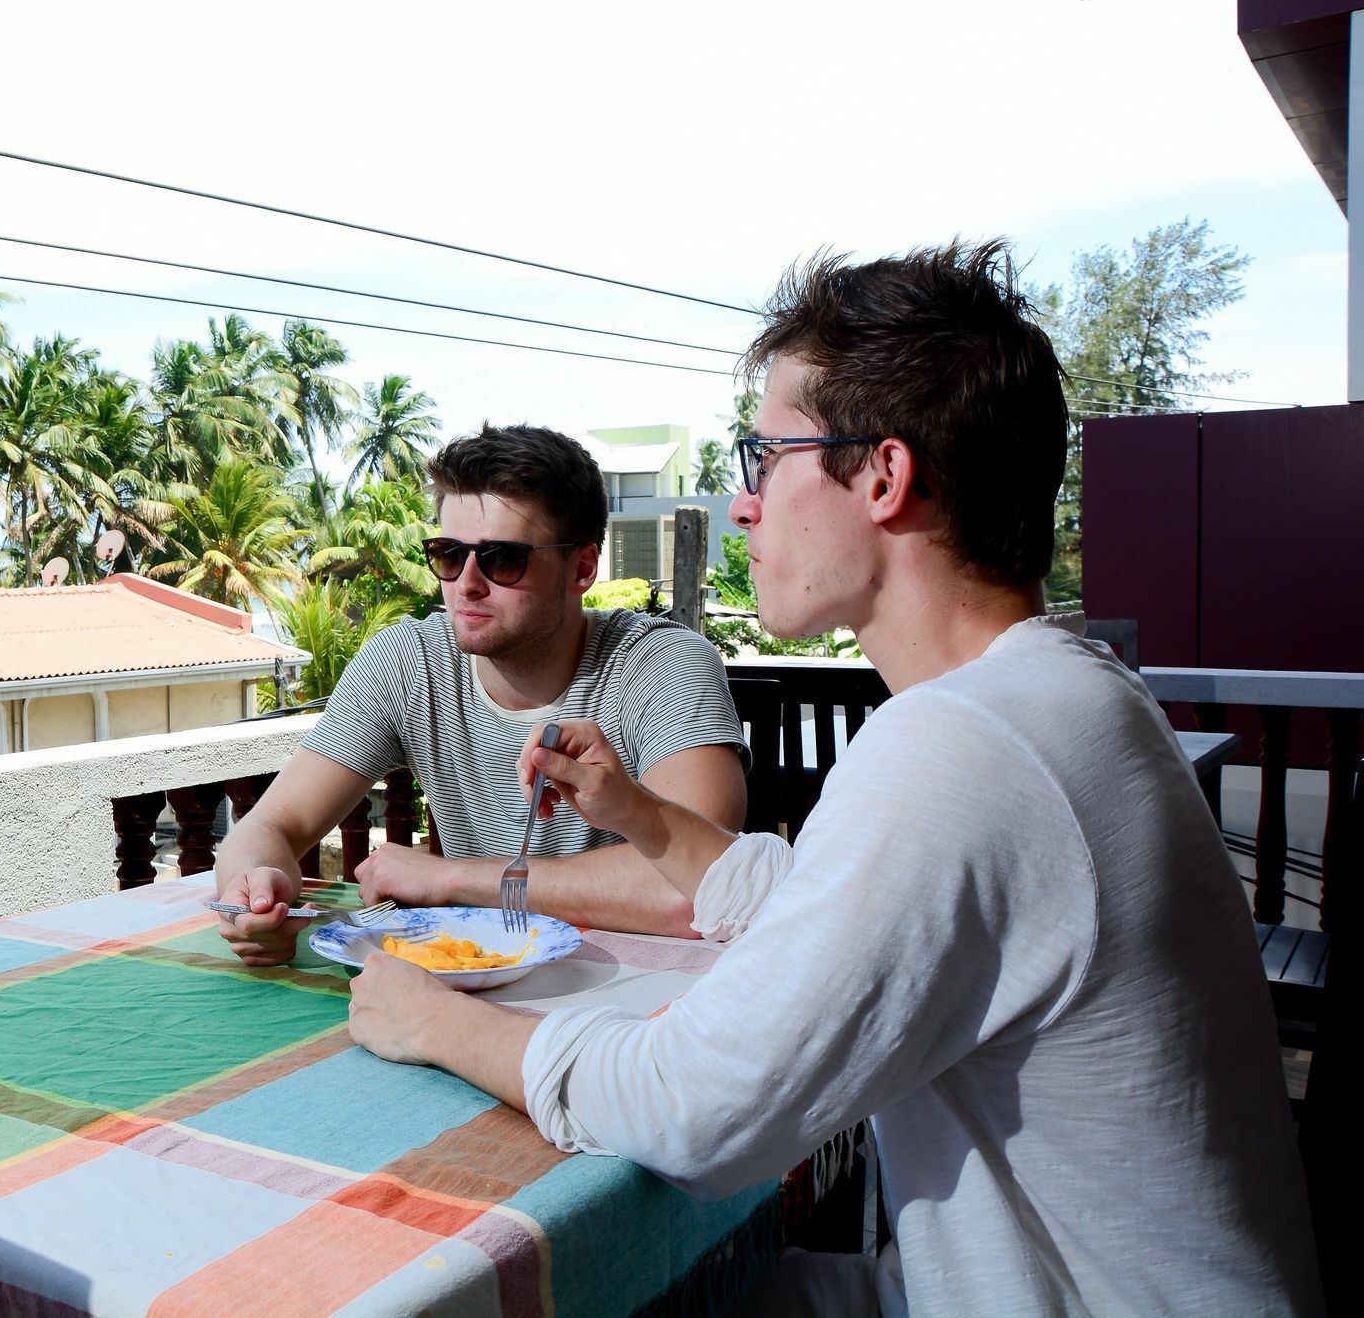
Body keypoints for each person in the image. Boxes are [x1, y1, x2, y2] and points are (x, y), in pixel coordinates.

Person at [348, 243, 1322, 1315]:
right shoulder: (1068, 694)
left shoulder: (960, 748)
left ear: (881, 476)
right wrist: (638, 816)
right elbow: (830, 911)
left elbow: (697, 1108)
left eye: (762, 456)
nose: (743, 503)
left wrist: (432, 1020)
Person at [214, 422, 749, 967]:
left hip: (639, 999)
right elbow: (269, 827)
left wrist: (449, 877)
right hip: (466, 986)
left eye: (502, 558)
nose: (466, 583)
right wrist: (254, 892)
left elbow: (699, 892)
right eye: (449, 554)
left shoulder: (660, 665)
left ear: (582, 568)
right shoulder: (409, 662)